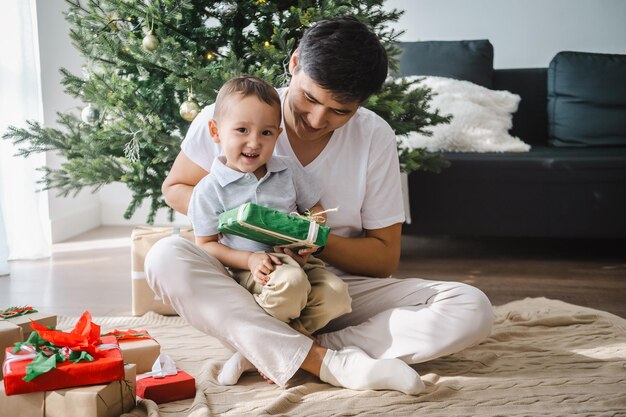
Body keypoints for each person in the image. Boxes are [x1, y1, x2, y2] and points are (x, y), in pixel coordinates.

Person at [146, 15, 492, 395]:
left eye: (340, 111)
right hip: (247, 282)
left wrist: (311, 237)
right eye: (309, 98)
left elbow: (383, 260)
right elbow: (176, 186)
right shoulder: (235, 116)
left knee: (470, 307)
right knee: (164, 256)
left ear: (361, 104)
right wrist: (243, 219)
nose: (316, 119)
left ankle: (283, 350)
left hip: (332, 291)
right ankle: (332, 364)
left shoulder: (374, 137)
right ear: (295, 63)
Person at [187, 75, 352, 342]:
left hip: (299, 260)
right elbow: (205, 244)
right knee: (291, 283)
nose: (254, 143)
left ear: (277, 134)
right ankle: (273, 345)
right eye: (242, 130)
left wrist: (310, 237)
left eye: (266, 132)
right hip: (253, 270)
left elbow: (316, 210)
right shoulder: (209, 188)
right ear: (216, 132)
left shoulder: (287, 170)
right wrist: (249, 260)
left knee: (336, 294)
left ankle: (276, 345)